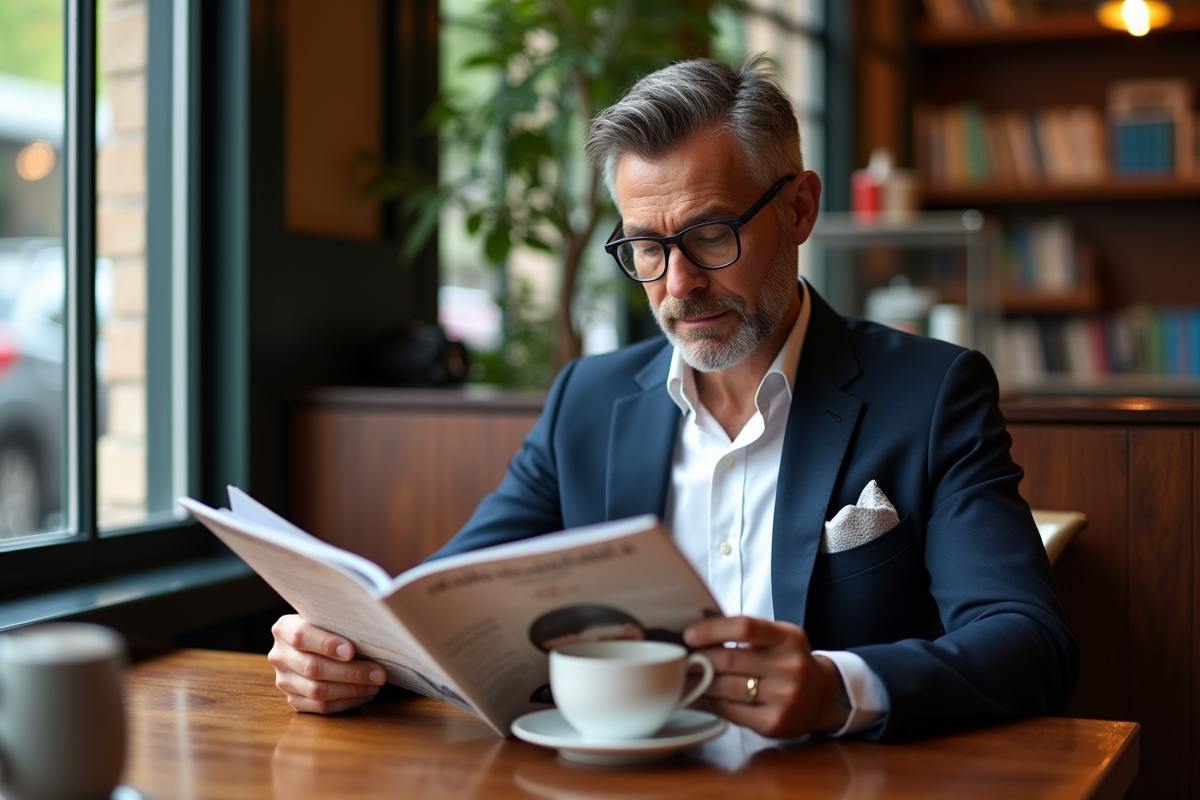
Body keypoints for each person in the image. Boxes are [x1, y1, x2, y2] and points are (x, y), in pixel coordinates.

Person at [269, 56, 1078, 740]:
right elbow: (441, 603)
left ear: (798, 208)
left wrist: (836, 688)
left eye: (709, 235)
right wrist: (342, 652)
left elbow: (1028, 642)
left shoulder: (932, 393)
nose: (679, 285)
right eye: (647, 248)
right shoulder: (586, 401)